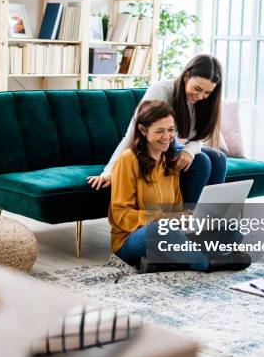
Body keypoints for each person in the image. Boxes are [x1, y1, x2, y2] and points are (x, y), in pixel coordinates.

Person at [109, 100, 251, 273]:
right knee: (161, 232)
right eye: (159, 131)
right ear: (143, 130)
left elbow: (176, 208)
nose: (167, 136)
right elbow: (119, 216)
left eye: (171, 130)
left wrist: (190, 217)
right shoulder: (128, 160)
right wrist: (164, 218)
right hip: (131, 239)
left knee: (231, 230)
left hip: (168, 233)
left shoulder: (169, 161)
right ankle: (206, 263)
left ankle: (165, 261)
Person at [88, 54, 227, 206]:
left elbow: (199, 135)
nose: (201, 96)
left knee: (218, 158)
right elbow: (132, 134)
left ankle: (211, 220)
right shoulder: (161, 91)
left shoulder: (203, 102)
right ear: (187, 76)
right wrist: (109, 172)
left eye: (207, 93)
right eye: (197, 89)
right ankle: (184, 222)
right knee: (201, 162)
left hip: (168, 147)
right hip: (148, 149)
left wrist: (190, 150)